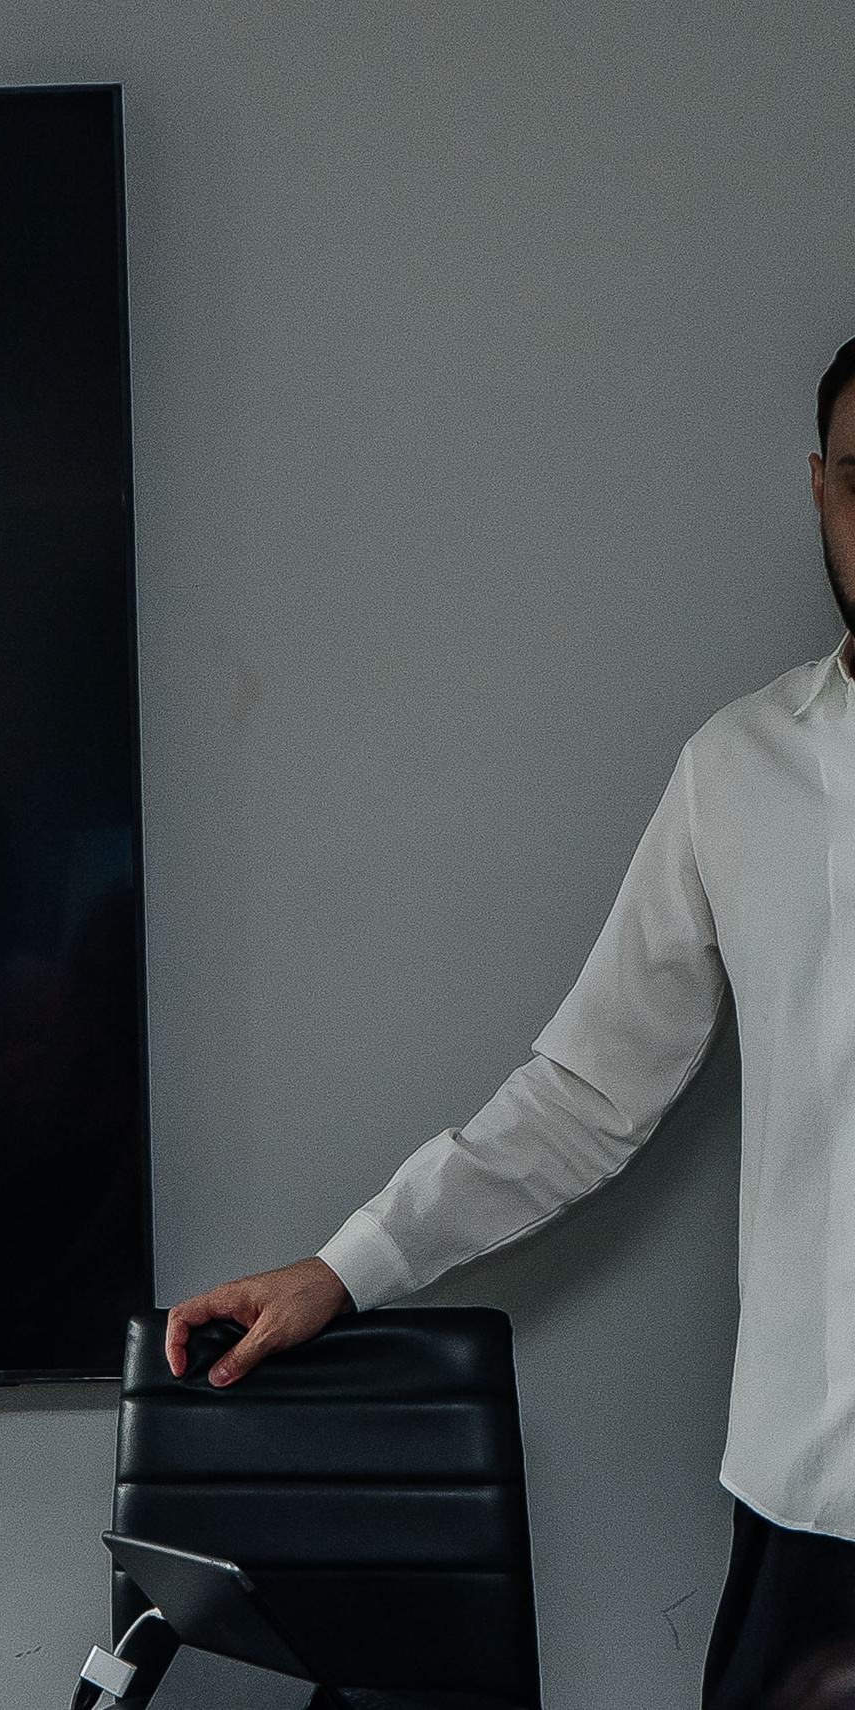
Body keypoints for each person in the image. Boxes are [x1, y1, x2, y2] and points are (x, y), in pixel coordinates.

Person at [160, 338, 855, 1710]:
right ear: (820, 489)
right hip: (811, 1505)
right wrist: (343, 1269)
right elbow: (586, 1093)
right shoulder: (736, 770)